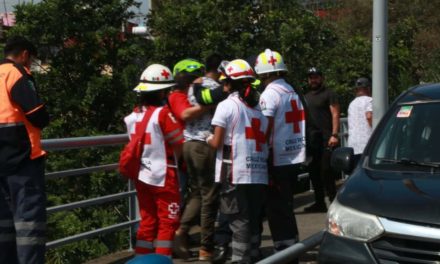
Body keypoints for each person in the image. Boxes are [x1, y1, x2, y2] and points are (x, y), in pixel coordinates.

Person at [207, 59, 268, 264]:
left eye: (225, 82)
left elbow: (216, 142)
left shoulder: (226, 106)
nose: (223, 86)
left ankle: (240, 260)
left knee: (238, 221)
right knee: (252, 219)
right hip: (258, 171)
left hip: (234, 172)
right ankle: (252, 255)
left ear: (230, 84)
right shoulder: (259, 108)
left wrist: (207, 138)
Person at [124, 64, 184, 257]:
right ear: (161, 92)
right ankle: (162, 260)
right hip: (164, 175)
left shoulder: (132, 116)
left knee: (148, 220)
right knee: (168, 221)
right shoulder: (164, 114)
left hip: (141, 174)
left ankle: (142, 259)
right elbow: (179, 142)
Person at [0, 36, 50, 264]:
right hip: (22, 161)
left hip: (2, 163)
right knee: (29, 226)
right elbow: (37, 114)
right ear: (25, 55)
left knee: (4, 228)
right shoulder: (17, 74)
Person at [255, 49, 306, 259]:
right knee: (285, 205)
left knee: (276, 208)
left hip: (276, 158)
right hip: (293, 155)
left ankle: (284, 251)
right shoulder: (291, 90)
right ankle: (292, 244)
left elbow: (264, 127)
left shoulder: (270, 94)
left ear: (264, 73)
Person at [169, 57, 221, 261]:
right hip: (202, 144)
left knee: (199, 193)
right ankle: (204, 247)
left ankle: (181, 233)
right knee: (208, 196)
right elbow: (185, 115)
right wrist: (215, 100)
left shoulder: (191, 89)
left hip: (189, 145)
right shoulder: (206, 86)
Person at [304, 67, 340, 212]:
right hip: (312, 140)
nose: (314, 80)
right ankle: (319, 203)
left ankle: (333, 201)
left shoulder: (329, 94)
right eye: (311, 77)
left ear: (322, 78)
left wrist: (335, 134)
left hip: (327, 138)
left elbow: (335, 114)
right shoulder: (305, 97)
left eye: (316, 77)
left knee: (326, 170)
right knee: (313, 171)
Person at [347, 77, 373, 165]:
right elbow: (369, 116)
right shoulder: (370, 100)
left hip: (353, 145)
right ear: (368, 88)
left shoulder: (352, 103)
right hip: (367, 144)